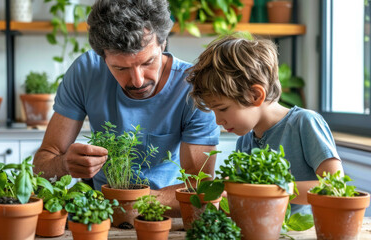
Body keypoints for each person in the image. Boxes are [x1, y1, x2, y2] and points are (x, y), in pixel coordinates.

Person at [33, 0, 221, 216]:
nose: (138, 80)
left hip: (168, 215)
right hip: (103, 213)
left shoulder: (193, 88)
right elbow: (42, 164)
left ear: (163, 43)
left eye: (148, 62)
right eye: (120, 68)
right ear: (103, 58)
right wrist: (64, 165)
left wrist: (129, 200)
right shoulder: (86, 72)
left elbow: (202, 189)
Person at [186, 34, 344, 214]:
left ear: (255, 95)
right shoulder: (245, 141)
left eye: (222, 109)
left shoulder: (304, 123)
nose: (217, 120)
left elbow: (334, 187)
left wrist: (273, 188)